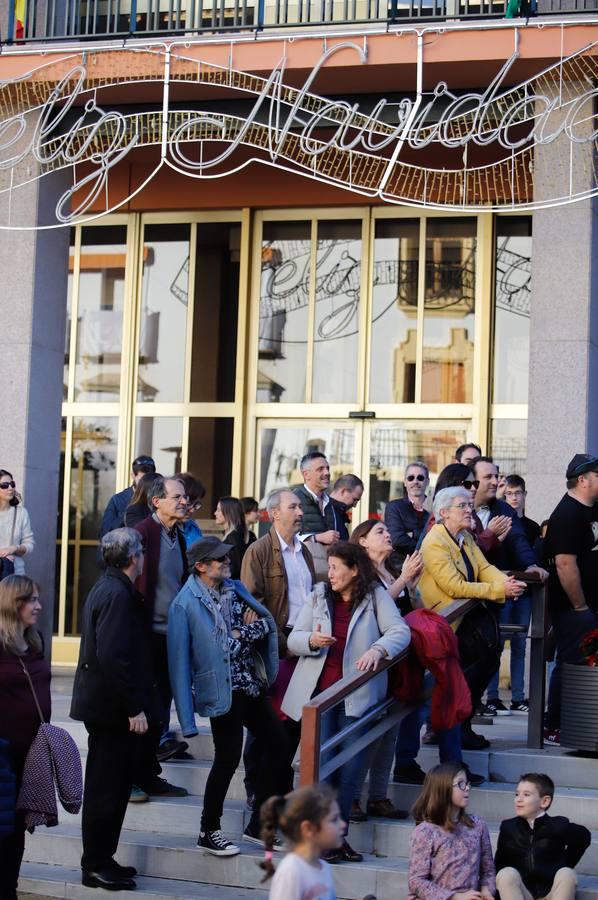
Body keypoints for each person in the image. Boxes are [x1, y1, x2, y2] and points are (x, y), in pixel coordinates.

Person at [282, 541, 411, 863]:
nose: (332, 572)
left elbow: (400, 631)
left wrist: (378, 649)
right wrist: (311, 640)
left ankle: (337, 839)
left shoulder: (375, 595)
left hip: (359, 697)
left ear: (355, 569)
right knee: (322, 772)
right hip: (321, 698)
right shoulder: (318, 595)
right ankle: (320, 841)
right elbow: (293, 638)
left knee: (351, 771)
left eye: (338, 566)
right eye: (330, 566)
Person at [168, 536, 288, 857]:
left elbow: (265, 623)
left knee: (279, 744)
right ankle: (209, 829)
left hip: (249, 685)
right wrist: (187, 720)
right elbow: (178, 663)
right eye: (219, 560)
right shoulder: (184, 603)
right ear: (201, 566)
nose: (227, 562)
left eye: (226, 558)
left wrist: (240, 633)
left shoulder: (234, 589)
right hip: (221, 692)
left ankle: (258, 823)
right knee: (227, 759)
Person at [70, 528, 163, 891]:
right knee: (105, 790)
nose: (143, 557)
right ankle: (94, 864)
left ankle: (102, 859)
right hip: (111, 712)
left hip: (110, 709)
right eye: (141, 551)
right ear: (131, 559)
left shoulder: (112, 588)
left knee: (113, 787)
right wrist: (133, 707)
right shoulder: (116, 594)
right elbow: (112, 656)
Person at [419, 487, 526, 751]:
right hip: (447, 623)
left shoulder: (465, 536)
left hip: (469, 618)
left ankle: (463, 727)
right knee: (460, 679)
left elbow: (484, 568)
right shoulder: (434, 542)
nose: (469, 510)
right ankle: (449, 731)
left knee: (484, 665)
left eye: (469, 505)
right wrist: (499, 590)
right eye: (462, 506)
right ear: (444, 513)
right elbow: (455, 586)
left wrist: (505, 581)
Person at [241, 489, 316, 799]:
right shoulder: (258, 552)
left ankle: (277, 786)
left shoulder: (305, 551)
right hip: (276, 644)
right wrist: (280, 643)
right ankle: (255, 786)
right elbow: (251, 605)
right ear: (275, 514)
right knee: (267, 720)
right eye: (293, 507)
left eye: (300, 506)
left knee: (293, 720)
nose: (300, 512)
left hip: (304, 644)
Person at [349, 519, 422, 821]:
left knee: (389, 732)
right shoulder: (360, 572)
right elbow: (373, 609)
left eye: (388, 530)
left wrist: (412, 586)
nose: (388, 534)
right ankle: (351, 797)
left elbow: (410, 609)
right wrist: (403, 580)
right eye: (379, 532)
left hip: (396, 659)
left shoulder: (390, 570)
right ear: (362, 541)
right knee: (367, 733)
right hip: (370, 660)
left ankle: (378, 796)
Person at [0, 575, 50, 899]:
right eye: (31, 600)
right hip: (2, 762)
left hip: (30, 759)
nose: (38, 606)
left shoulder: (35, 642)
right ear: (13, 603)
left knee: (17, 837)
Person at [134, 476, 190, 766]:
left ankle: (149, 772)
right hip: (146, 634)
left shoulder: (177, 535)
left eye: (185, 497)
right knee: (147, 707)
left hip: (171, 634)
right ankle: (136, 775)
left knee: (162, 707)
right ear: (156, 501)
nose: (184, 502)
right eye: (177, 497)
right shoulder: (141, 533)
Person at [543, 454, 598, 744]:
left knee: (589, 664)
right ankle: (554, 724)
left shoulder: (593, 509)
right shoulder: (566, 514)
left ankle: (584, 721)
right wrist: (580, 607)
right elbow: (565, 564)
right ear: (583, 480)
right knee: (570, 661)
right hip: (573, 608)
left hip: (591, 605)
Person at [486, 474, 542, 716]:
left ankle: (518, 697)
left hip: (525, 590)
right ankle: (492, 697)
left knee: (520, 644)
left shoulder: (531, 527)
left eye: (517, 493)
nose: (513, 498)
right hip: (502, 588)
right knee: (496, 643)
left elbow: (531, 554)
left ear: (525, 495)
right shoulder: (495, 520)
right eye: (508, 493)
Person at [495, 772, 591, 900]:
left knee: (567, 873)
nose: (519, 799)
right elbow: (499, 864)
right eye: (517, 794)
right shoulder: (509, 827)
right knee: (505, 873)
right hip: (523, 894)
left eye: (526, 795)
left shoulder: (558, 825)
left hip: (552, 893)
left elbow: (584, 836)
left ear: (544, 801)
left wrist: (565, 863)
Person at [408, 762, 496, 900]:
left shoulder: (478, 825)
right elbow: (417, 881)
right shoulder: (425, 831)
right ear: (442, 789)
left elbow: (488, 870)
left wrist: (486, 890)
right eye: (461, 784)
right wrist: (455, 897)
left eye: (467, 783)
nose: (467, 788)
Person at [260, 785, 342, 899]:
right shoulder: (291, 871)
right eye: (334, 819)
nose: (343, 824)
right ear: (308, 829)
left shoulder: (324, 867)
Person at [294, 452, 340, 580]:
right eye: (320, 469)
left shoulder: (329, 502)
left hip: (328, 574)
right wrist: (317, 538)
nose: (327, 473)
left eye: (327, 468)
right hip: (302, 573)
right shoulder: (294, 499)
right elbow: (284, 537)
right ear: (306, 474)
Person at [384, 462, 430, 565]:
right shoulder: (394, 507)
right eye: (411, 478)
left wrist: (412, 534)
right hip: (401, 566)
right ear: (405, 482)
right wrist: (429, 548)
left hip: (431, 566)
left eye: (420, 478)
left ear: (427, 482)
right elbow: (397, 541)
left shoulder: (436, 508)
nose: (415, 481)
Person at [99, 456, 156, 538]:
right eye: (142, 480)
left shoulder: (158, 499)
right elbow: (106, 534)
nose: (145, 484)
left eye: (149, 480)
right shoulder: (118, 500)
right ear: (133, 476)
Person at [0, 471, 34, 575]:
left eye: (12, 484)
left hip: (15, 575)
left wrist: (14, 548)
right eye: (5, 485)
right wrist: (3, 555)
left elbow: (29, 544)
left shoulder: (21, 513)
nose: (10, 488)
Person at [214, 496, 257, 580]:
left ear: (228, 512)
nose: (215, 513)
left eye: (219, 510)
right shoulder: (239, 535)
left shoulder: (233, 538)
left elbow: (235, 569)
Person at [328, 475, 364, 541]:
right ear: (343, 491)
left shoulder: (338, 514)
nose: (355, 505)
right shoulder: (325, 511)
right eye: (354, 499)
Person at [178, 472, 206, 549]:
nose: (192, 510)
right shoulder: (161, 530)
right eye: (189, 503)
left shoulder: (193, 526)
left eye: (196, 504)